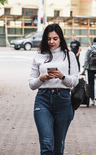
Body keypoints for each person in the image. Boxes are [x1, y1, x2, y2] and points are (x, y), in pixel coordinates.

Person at [29, 23, 79, 155]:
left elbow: (74, 81)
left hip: (63, 100)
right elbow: (32, 84)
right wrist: (42, 78)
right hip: (42, 100)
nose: (51, 42)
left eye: (55, 38)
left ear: (61, 39)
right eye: (48, 38)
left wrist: (62, 76)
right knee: (46, 143)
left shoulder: (69, 55)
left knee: (58, 146)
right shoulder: (39, 56)